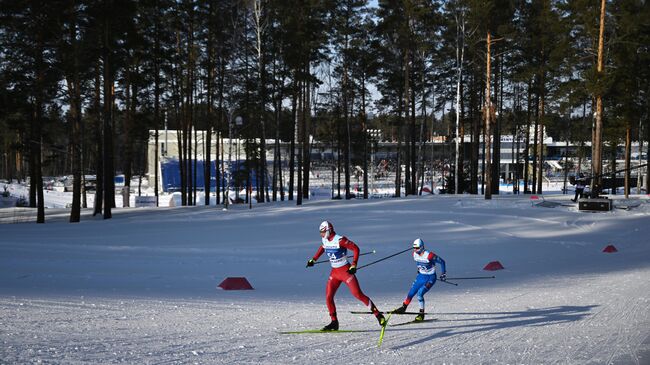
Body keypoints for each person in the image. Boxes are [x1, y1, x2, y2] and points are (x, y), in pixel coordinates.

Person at [306, 220, 386, 331]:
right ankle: (334, 322)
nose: (321, 234)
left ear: (329, 230)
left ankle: (379, 316)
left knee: (358, 295)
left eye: (323, 232)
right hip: (334, 273)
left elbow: (356, 248)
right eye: (320, 232)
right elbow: (322, 247)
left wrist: (354, 265)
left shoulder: (340, 240)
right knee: (328, 297)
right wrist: (313, 259)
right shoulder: (325, 239)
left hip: (345, 272)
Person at [390, 238, 446, 322]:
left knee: (420, 294)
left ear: (422, 247)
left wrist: (443, 274)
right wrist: (419, 270)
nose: (415, 250)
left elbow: (442, 262)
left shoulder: (429, 255)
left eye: (417, 248)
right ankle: (403, 307)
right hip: (421, 276)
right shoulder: (414, 254)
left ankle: (421, 314)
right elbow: (419, 263)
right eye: (414, 248)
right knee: (411, 292)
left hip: (430, 278)